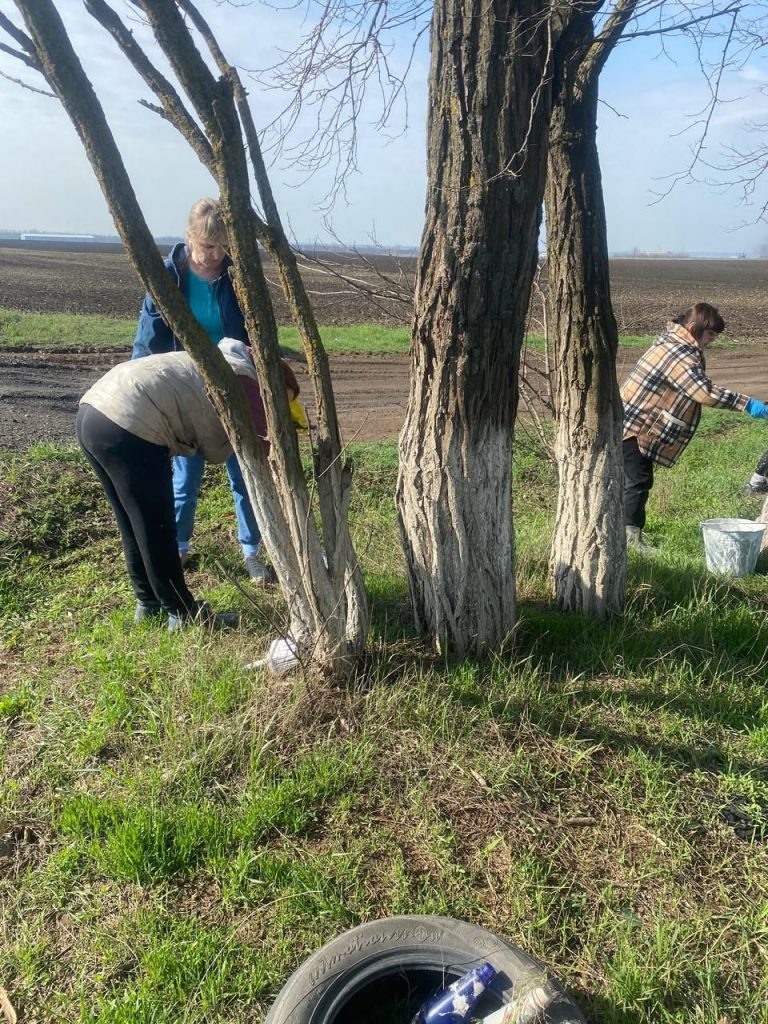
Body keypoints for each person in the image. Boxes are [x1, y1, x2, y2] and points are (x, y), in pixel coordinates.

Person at [77, 340, 267, 630]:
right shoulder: (244, 379)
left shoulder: (211, 359)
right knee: (158, 527)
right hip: (131, 422)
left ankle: (150, 604)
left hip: (93, 413)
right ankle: (182, 613)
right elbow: (220, 449)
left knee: (133, 522)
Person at [132, 197, 271, 583]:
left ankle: (252, 552)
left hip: (234, 384)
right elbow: (149, 338)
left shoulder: (236, 275)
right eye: (208, 246)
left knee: (244, 472)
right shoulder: (168, 276)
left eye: (222, 247)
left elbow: (253, 327)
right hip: (185, 390)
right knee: (185, 476)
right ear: (190, 237)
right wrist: (142, 386)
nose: (214, 256)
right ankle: (178, 549)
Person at [620, 302, 768, 551]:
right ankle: (629, 540)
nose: (712, 340)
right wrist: (748, 405)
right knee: (637, 481)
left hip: (631, 420)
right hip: (636, 424)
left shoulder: (673, 343)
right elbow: (703, 392)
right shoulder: (679, 353)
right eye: (710, 334)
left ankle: (622, 533)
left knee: (631, 480)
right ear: (693, 327)